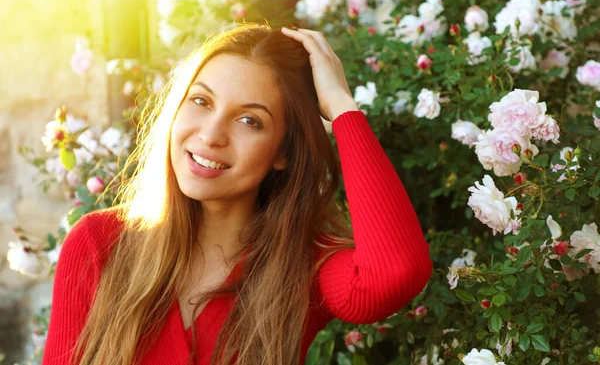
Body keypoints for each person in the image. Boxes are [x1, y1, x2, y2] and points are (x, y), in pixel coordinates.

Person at [41, 23, 432, 365]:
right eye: (200, 101)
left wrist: (342, 107)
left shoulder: (302, 267)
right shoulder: (99, 245)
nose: (211, 135)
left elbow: (394, 273)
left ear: (282, 152)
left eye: (250, 120)